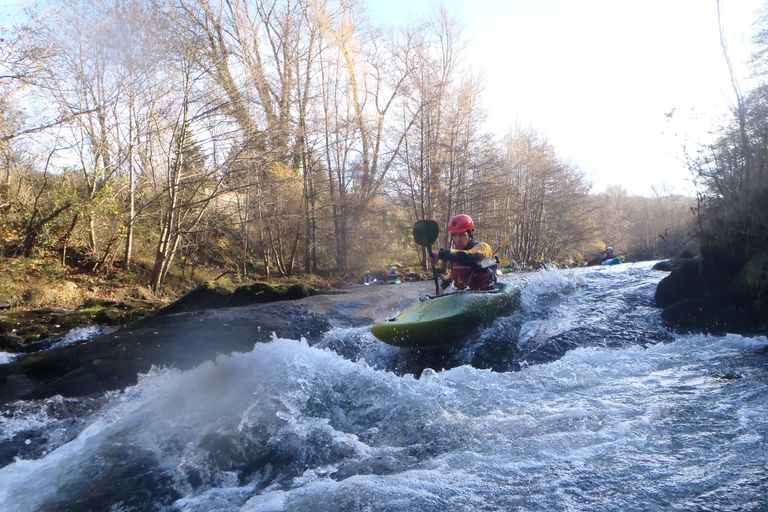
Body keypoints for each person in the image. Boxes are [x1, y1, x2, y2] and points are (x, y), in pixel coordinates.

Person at [431, 214, 496, 291]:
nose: (458, 239)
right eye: (454, 235)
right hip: (463, 296)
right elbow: (456, 269)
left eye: (462, 235)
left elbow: (473, 259)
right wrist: (446, 282)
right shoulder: (456, 255)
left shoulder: (483, 247)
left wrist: (441, 254)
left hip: (485, 294)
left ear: (470, 234)